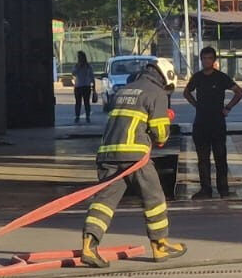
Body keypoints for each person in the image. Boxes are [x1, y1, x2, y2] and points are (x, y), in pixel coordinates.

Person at [79, 56, 188, 266]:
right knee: (154, 198)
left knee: (104, 202)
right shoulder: (156, 92)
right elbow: (161, 135)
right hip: (134, 156)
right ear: (167, 78)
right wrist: (165, 120)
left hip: (108, 154)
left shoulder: (126, 89)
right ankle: (160, 245)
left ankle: (88, 246)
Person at [183, 45, 242, 198]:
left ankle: (223, 189)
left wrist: (228, 108)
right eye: (204, 58)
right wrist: (196, 104)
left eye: (209, 58)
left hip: (217, 122)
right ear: (201, 60)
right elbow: (186, 92)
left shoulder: (221, 77)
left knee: (220, 157)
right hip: (201, 122)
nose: (206, 61)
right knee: (202, 159)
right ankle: (205, 189)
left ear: (214, 60)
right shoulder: (197, 77)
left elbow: (239, 92)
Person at [71, 51, 97, 124]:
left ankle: (87, 116)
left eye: (80, 57)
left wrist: (94, 88)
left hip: (86, 86)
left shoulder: (88, 66)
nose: (79, 58)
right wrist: (78, 67)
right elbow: (73, 73)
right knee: (78, 102)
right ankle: (77, 116)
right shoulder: (76, 66)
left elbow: (92, 77)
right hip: (78, 86)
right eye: (78, 57)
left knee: (86, 102)